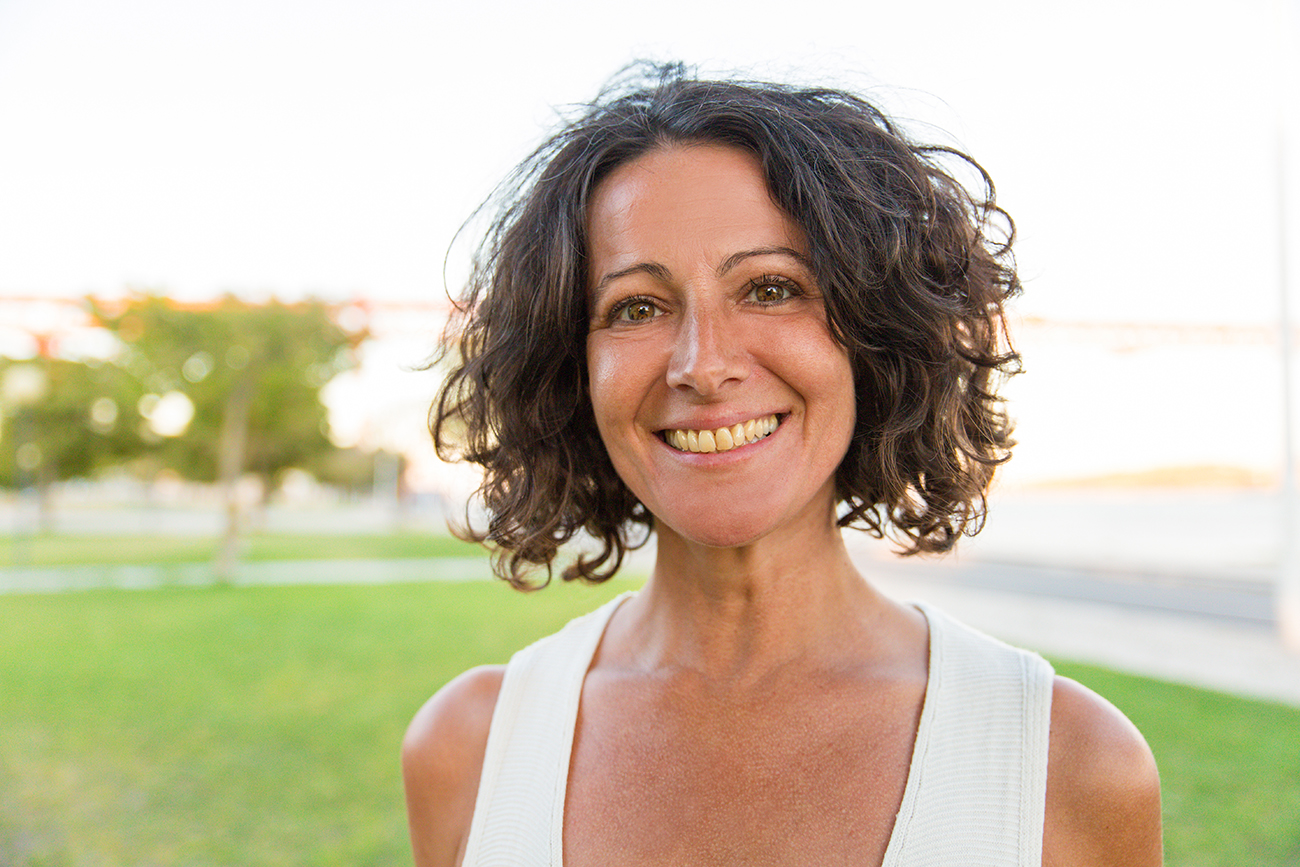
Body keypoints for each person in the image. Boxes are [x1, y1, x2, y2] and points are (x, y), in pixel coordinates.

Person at [402, 63, 1162, 867]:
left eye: (770, 288)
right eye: (636, 307)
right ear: (571, 370)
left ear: (877, 337)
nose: (701, 364)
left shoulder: (1067, 765)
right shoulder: (468, 751)